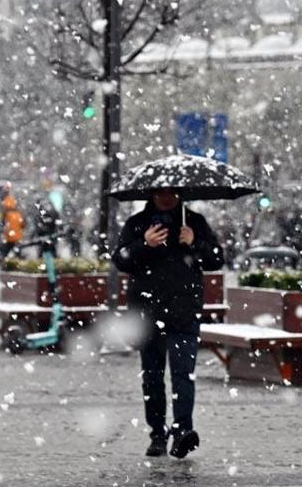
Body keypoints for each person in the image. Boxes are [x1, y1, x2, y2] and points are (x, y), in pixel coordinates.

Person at [112, 188, 224, 459]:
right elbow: (120, 260)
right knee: (152, 376)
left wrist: (195, 242)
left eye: (171, 192)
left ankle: (183, 430)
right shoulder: (137, 223)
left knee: (183, 373)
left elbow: (217, 259)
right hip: (147, 312)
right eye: (161, 192)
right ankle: (157, 434)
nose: (166, 197)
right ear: (151, 194)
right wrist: (144, 244)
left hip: (184, 311)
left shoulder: (193, 222)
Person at [0, 194, 25, 260]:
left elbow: (3, 225)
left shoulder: (6, 215)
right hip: (18, 237)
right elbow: (23, 224)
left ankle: (6, 263)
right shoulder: (19, 214)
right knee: (17, 253)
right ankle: (17, 262)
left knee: (6, 253)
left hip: (9, 237)